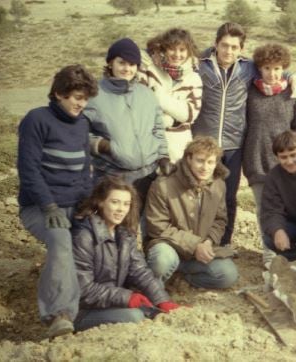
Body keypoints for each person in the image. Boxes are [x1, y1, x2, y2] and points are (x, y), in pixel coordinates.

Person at [192, 22, 296, 246]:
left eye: (234, 47)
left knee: (228, 197)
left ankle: (223, 243)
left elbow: (274, 66)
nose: (228, 51)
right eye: (224, 45)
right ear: (216, 44)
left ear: (241, 49)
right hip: (202, 144)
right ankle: (195, 243)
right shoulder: (199, 65)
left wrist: (293, 76)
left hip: (234, 146)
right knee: (197, 195)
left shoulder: (247, 67)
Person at [17, 64, 98, 338]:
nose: (81, 104)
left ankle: (92, 302)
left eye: (85, 99)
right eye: (76, 97)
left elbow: (86, 169)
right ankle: (59, 315)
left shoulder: (83, 124)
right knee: (61, 240)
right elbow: (29, 170)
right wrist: (48, 205)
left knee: (94, 238)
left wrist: (86, 203)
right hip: (40, 207)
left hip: (73, 205)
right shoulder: (36, 119)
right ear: (60, 93)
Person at [71, 177, 180, 331]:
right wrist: (126, 297)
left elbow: (141, 272)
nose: (121, 209)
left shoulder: (124, 233)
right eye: (115, 202)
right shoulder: (83, 236)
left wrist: (162, 301)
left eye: (126, 204)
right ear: (100, 202)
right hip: (83, 310)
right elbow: (83, 290)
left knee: (154, 305)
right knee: (135, 317)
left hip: (111, 302)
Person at [84, 37, 174, 215]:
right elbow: (79, 133)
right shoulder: (93, 95)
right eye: (122, 63)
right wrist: (104, 146)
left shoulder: (146, 94)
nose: (127, 68)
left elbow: (157, 129)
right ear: (110, 63)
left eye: (132, 64)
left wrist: (163, 157)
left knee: (141, 225)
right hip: (112, 177)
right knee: (111, 225)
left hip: (146, 175)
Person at [242, 43, 296, 267]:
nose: (273, 73)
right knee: (265, 210)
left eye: (278, 68)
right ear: (259, 69)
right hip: (257, 162)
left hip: (289, 164)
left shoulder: (294, 92)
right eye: (267, 68)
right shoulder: (249, 91)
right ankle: (271, 255)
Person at [145, 136, 239, 289]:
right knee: (162, 261)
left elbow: (220, 220)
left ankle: (182, 278)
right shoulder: (163, 185)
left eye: (210, 162)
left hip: (200, 250)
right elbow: (157, 226)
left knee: (227, 275)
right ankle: (152, 289)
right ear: (188, 159)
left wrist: (208, 241)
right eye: (200, 161)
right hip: (169, 247)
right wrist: (195, 245)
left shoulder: (219, 185)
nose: (205, 167)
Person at [138, 28, 203, 161]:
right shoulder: (149, 70)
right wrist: (171, 119)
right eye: (172, 49)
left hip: (178, 148)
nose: (177, 54)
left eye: (182, 50)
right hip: (148, 144)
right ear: (164, 49)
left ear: (189, 51)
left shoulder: (194, 78)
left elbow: (189, 114)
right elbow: (141, 107)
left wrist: (158, 96)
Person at [261, 131, 296, 265]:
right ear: (277, 157)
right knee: (270, 236)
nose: (290, 161)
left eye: (293, 155)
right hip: (295, 225)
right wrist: (278, 231)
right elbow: (271, 211)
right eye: (283, 157)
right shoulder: (274, 176)